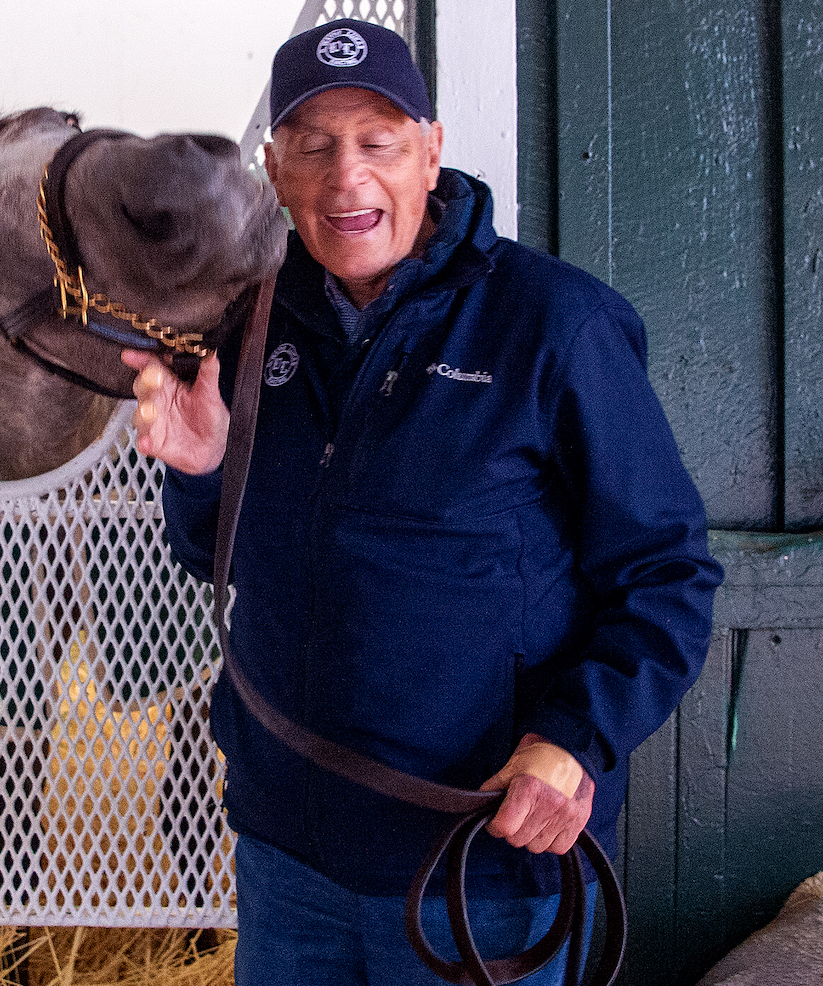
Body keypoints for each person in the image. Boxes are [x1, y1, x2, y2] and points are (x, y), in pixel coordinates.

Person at [122, 17, 723, 986]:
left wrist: (575, 739)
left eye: (378, 142)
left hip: (479, 863)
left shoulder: (555, 324)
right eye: (313, 146)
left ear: (432, 151)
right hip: (287, 849)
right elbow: (219, 561)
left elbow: (668, 576)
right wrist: (200, 472)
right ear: (273, 168)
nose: (345, 177)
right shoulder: (248, 324)